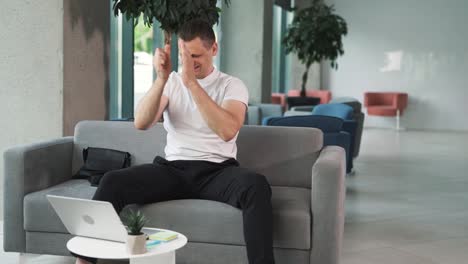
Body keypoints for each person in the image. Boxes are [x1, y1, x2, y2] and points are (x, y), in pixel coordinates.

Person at [75, 19, 275, 264]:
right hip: (173, 169)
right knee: (112, 181)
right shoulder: (171, 83)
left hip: (217, 172)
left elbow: (227, 130)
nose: (190, 64)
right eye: (186, 56)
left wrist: (191, 83)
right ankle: (84, 261)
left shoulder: (232, 85)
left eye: (196, 56)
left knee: (256, 185)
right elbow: (141, 122)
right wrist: (161, 79)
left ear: (214, 49)